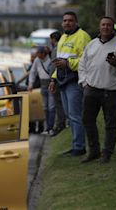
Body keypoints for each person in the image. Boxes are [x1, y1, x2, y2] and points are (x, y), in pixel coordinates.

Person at [78, 16, 116, 163]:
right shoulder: (91, 44)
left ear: (112, 27)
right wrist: (84, 82)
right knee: (87, 120)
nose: (105, 27)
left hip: (111, 91)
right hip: (91, 89)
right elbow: (82, 65)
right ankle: (94, 151)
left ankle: (107, 153)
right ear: (99, 27)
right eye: (103, 24)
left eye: (109, 25)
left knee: (110, 123)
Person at [48, 11, 91, 156]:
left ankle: (79, 147)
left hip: (75, 80)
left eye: (70, 20)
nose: (67, 23)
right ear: (62, 23)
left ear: (76, 22)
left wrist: (68, 63)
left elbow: (87, 61)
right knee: (69, 116)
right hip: (62, 81)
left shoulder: (83, 36)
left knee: (75, 115)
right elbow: (58, 63)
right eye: (65, 20)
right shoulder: (63, 38)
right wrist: (53, 79)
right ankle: (75, 145)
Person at [28, 46, 55, 135]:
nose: (37, 56)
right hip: (42, 85)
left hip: (51, 84)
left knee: (51, 106)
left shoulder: (50, 59)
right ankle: (47, 127)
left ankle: (51, 127)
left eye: (38, 54)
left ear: (43, 53)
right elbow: (33, 72)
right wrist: (30, 84)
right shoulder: (37, 60)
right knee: (45, 107)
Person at [49, 31, 66, 135]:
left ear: (54, 39)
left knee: (58, 103)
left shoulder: (56, 49)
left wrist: (52, 80)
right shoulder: (61, 48)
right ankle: (62, 123)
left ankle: (60, 124)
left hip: (56, 80)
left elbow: (54, 66)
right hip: (60, 79)